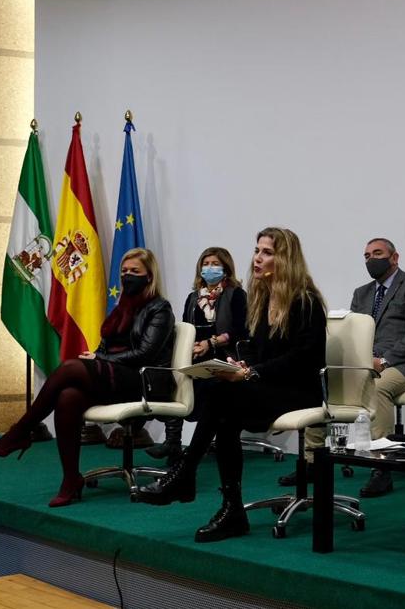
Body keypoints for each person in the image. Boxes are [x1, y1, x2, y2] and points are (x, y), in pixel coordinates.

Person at [135, 228, 327, 544]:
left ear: (285, 259)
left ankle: (188, 476)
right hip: (269, 386)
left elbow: (303, 359)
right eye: (257, 250)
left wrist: (252, 373)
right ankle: (229, 508)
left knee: (222, 396)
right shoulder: (263, 299)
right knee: (222, 402)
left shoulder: (306, 301)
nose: (257, 258)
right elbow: (256, 349)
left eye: (267, 252)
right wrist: (241, 365)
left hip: (300, 391)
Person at [0, 248, 175, 507]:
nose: (128, 276)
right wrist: (97, 355)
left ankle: (18, 434)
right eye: (124, 271)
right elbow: (107, 348)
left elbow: (145, 353)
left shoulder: (160, 308)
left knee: (71, 368)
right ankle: (71, 480)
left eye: (135, 272)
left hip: (141, 380)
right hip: (115, 375)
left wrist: (101, 360)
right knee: (68, 397)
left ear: (149, 276)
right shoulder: (121, 307)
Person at [291, 237, 405, 498]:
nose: (371, 260)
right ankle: (311, 461)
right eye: (367, 256)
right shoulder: (362, 293)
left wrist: (385, 360)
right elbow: (356, 333)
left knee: (377, 387)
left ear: (394, 257)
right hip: (366, 364)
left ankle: (381, 467)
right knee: (322, 382)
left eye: (377, 253)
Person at [146, 247, 248, 461]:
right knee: (172, 379)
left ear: (226, 267)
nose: (209, 268)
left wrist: (210, 343)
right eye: (206, 263)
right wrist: (189, 347)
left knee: (208, 387)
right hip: (196, 356)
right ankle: (173, 442)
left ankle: (201, 444)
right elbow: (184, 327)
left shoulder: (236, 294)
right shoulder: (193, 298)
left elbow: (242, 329)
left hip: (226, 355)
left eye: (214, 263)